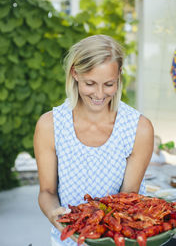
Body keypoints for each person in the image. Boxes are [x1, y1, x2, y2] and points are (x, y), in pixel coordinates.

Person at [34, 34, 154, 246]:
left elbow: (127, 199)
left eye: (109, 84)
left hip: (120, 240)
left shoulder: (139, 128)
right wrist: (55, 215)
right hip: (68, 241)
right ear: (75, 73)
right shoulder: (49, 125)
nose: (99, 94)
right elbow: (47, 191)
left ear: (119, 77)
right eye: (90, 83)